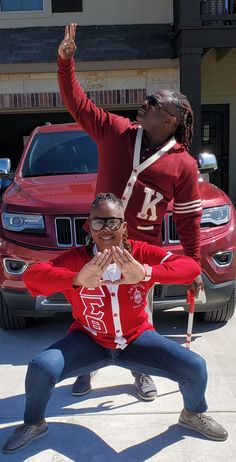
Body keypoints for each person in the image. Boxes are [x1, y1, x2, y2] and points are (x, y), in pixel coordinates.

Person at [2, 193, 228, 453]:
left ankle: (192, 414)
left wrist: (145, 272)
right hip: (90, 340)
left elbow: (189, 267)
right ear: (89, 225)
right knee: (41, 367)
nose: (106, 229)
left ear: (124, 226)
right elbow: (32, 278)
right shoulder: (77, 259)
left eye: (113, 222)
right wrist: (76, 278)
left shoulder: (139, 254)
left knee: (195, 366)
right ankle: (34, 423)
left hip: (136, 339)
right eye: (98, 222)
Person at [57, 23, 204, 401]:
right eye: (148, 99)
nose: (146, 103)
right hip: (98, 242)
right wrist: (65, 62)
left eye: (155, 103)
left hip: (139, 253)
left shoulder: (183, 165)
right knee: (89, 308)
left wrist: (193, 266)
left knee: (139, 317)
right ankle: (85, 367)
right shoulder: (116, 131)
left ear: (170, 120)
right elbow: (78, 104)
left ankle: (140, 371)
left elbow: (188, 220)